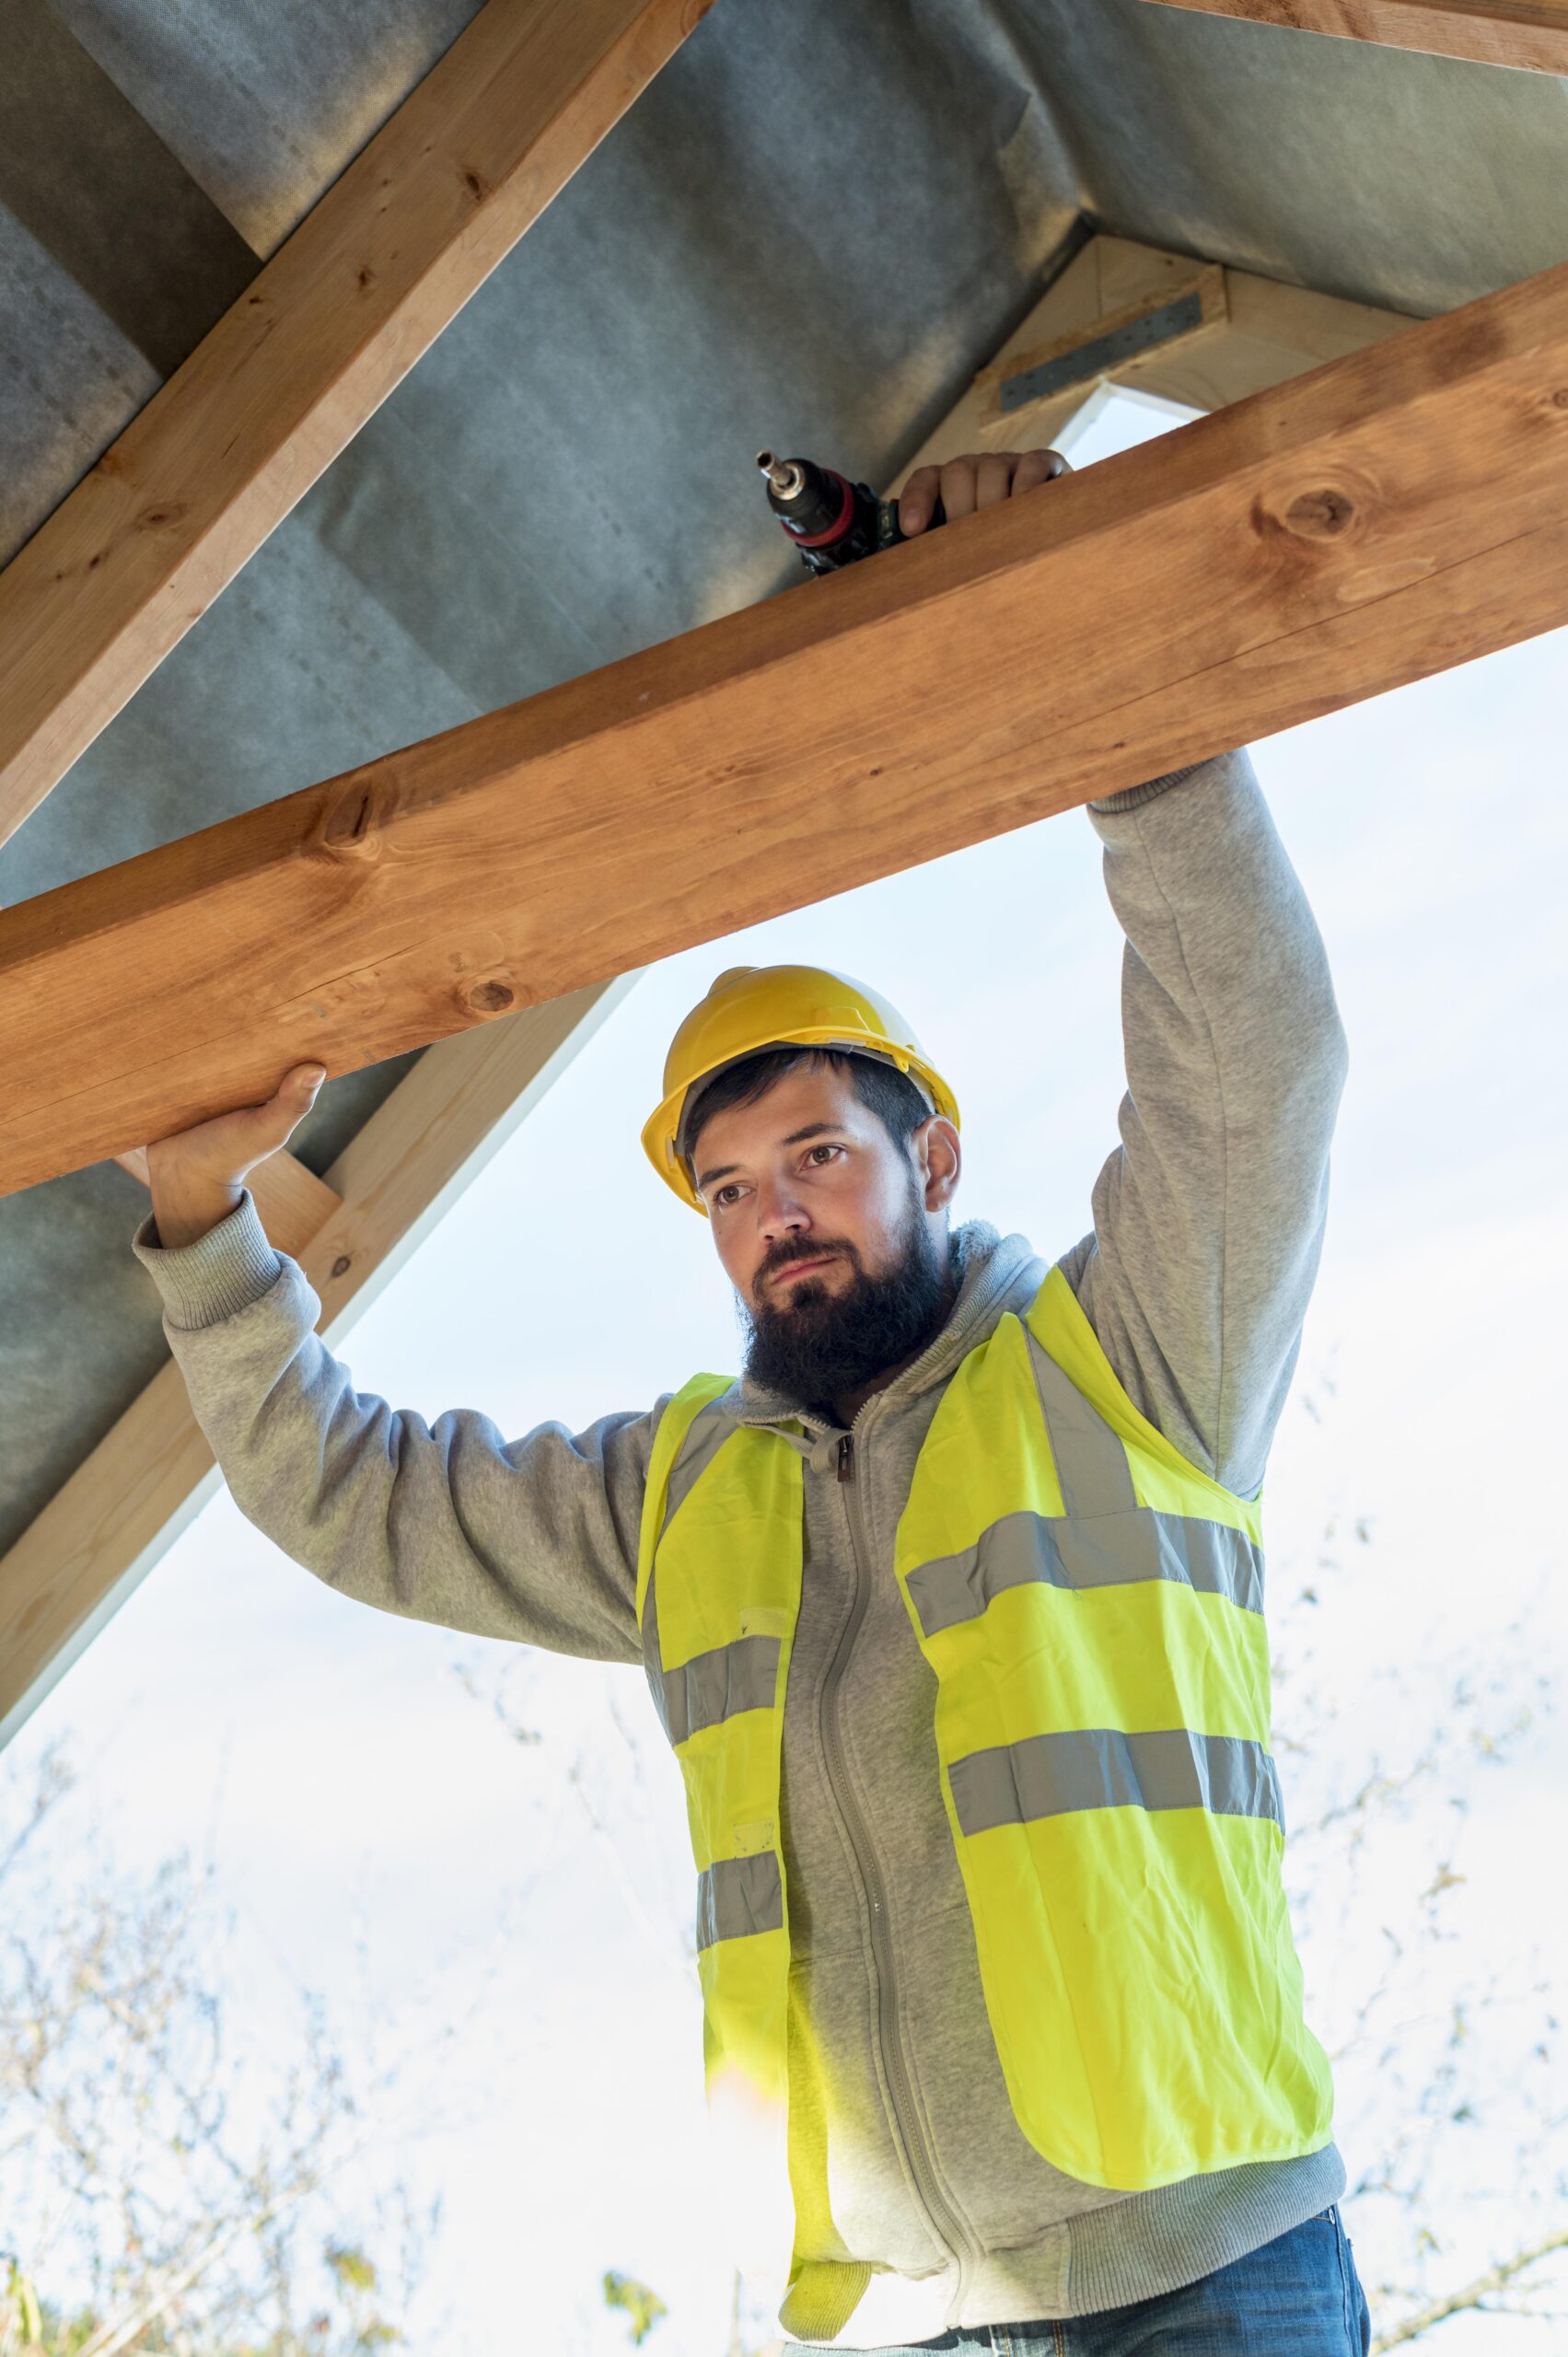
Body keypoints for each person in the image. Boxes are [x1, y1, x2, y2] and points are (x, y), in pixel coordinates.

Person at [132, 448, 1370, 2355]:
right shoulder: (680, 1500)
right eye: (728, 1185)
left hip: (1205, 2273)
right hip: (903, 2312)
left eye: (817, 1153)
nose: (775, 1212)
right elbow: (348, 1489)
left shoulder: (1128, 1365)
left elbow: (1252, 1064)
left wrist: (1123, 702)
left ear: (930, 1156)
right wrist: (202, 1216)